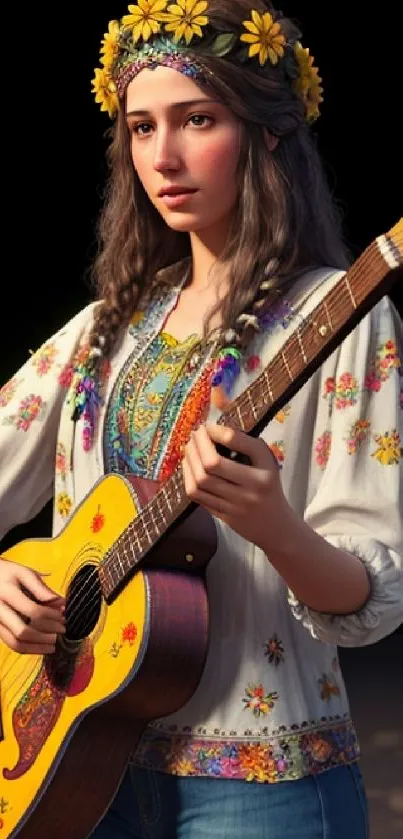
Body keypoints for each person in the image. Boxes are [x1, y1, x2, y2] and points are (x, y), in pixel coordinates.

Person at [0, 1, 402, 836]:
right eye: (141, 129)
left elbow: (368, 598)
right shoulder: (106, 327)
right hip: (80, 772)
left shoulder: (338, 316)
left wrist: (275, 525)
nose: (164, 156)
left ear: (268, 136)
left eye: (197, 120)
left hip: (262, 784)